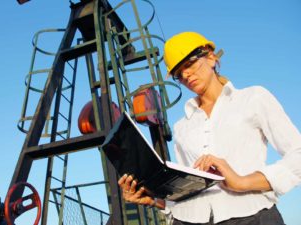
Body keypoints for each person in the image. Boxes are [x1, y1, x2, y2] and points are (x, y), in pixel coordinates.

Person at [118, 31, 301, 224]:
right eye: (179, 74)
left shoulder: (253, 98)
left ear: (211, 57)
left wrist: (242, 182)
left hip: (251, 216)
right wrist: (154, 200)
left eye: (189, 64)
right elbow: (189, 190)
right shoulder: (182, 126)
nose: (186, 74)